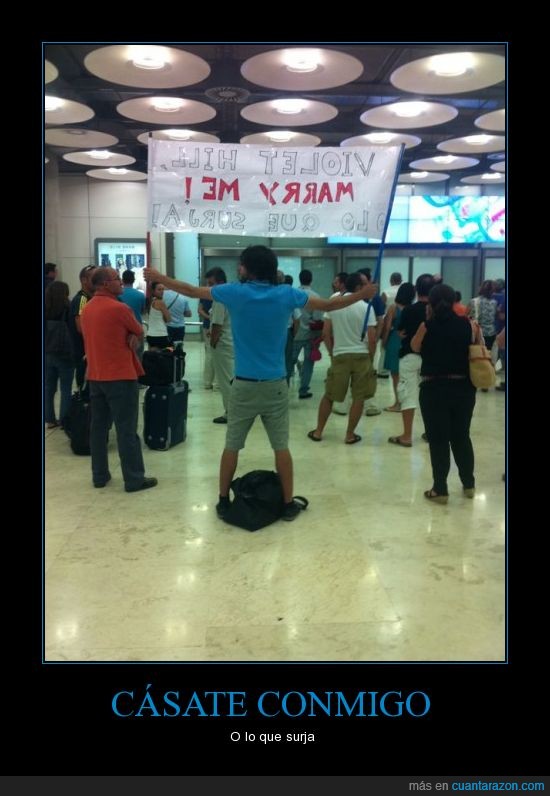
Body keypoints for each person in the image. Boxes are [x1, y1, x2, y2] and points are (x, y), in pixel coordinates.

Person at [144, 245, 376, 521]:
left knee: (232, 445)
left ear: (248, 268)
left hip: (243, 385)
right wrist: (362, 295)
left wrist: (160, 277)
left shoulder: (234, 292)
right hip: (275, 385)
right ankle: (288, 504)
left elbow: (192, 291)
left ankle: (223, 501)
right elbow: (327, 305)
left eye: (241, 265)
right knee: (281, 447)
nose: (238, 269)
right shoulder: (286, 294)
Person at [80, 268, 157, 493]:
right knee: (126, 430)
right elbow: (138, 330)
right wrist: (132, 335)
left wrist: (129, 334)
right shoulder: (119, 308)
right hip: (121, 377)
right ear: (105, 284)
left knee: (98, 428)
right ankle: (134, 479)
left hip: (96, 376)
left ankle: (99, 475)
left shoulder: (88, 309)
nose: (121, 282)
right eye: (116, 279)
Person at [411, 283, 476, 504]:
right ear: (454, 302)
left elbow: (415, 347)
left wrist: (427, 320)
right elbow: (477, 348)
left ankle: (440, 489)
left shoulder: (426, 326)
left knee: (438, 440)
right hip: (463, 388)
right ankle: (469, 484)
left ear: (430, 303)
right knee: (461, 436)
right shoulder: (467, 325)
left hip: (434, 389)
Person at [307, 272, 377, 444]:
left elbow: (325, 333)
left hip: (340, 355)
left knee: (329, 395)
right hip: (362, 356)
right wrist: (370, 358)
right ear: (359, 287)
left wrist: (332, 353)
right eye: (365, 285)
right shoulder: (367, 308)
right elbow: (372, 339)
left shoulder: (334, 302)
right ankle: (350, 435)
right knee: (358, 397)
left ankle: (318, 432)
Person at [206, 267, 234, 424]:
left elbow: (217, 324)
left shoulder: (219, 298)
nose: (209, 287)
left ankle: (230, 413)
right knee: (232, 378)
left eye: (211, 284)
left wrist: (213, 343)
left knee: (225, 381)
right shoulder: (231, 295)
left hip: (222, 345)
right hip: (232, 342)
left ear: (220, 282)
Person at [45, 281, 74, 429]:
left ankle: (49, 419)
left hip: (47, 353)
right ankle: (64, 420)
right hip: (64, 354)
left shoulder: (45, 309)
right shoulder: (68, 308)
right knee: (66, 389)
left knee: (48, 388)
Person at [68, 264, 97, 394]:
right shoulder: (82, 299)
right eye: (94, 278)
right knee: (86, 391)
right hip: (83, 353)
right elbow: (81, 327)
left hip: (89, 352)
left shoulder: (92, 298)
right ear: (84, 280)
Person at [119, 270, 146, 359]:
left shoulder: (117, 295)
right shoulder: (141, 295)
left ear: (122, 280)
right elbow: (143, 311)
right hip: (137, 330)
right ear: (134, 280)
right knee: (138, 357)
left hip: (121, 330)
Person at [145, 282, 171, 350]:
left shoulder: (152, 301)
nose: (162, 291)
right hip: (160, 334)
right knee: (166, 354)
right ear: (153, 291)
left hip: (151, 334)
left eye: (163, 289)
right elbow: (169, 319)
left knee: (152, 355)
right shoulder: (160, 302)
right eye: (159, 289)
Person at [198, 295, 215, 389]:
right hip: (219, 326)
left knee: (209, 353)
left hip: (207, 325)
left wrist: (208, 317)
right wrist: (212, 318)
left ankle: (208, 382)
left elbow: (200, 310)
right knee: (218, 355)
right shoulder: (221, 294)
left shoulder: (204, 294)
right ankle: (217, 383)